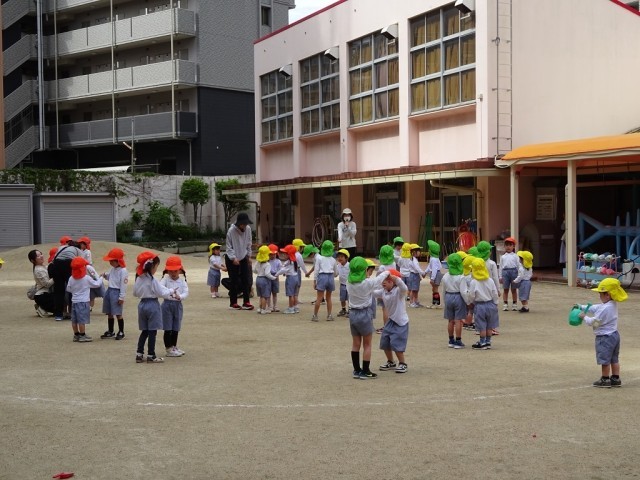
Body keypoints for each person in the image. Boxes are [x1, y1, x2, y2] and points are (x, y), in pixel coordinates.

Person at [575, 278, 628, 388]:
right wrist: (582, 306)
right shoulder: (611, 304)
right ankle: (615, 378)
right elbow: (595, 307)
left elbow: (594, 323)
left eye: (600, 294)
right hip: (614, 335)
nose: (599, 296)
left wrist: (584, 317)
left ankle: (605, 379)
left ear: (607, 295)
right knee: (614, 358)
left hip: (604, 337)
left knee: (605, 360)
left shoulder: (605, 309)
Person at [346, 257, 391, 379]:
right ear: (364, 270)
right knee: (367, 344)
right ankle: (365, 371)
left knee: (356, 343)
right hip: (364, 313)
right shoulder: (367, 283)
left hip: (353, 313)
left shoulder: (348, 282)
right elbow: (378, 280)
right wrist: (387, 272)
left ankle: (356, 370)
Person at [133, 252, 178, 363]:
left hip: (142, 304)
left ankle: (139, 354)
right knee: (152, 331)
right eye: (156, 266)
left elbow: (135, 293)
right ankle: (151, 355)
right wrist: (171, 291)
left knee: (144, 331)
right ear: (152, 266)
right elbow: (161, 292)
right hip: (152, 305)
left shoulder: (139, 278)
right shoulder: (152, 280)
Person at [376, 268, 410, 374]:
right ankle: (390, 362)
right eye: (383, 280)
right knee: (385, 341)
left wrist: (394, 278)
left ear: (394, 282)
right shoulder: (383, 291)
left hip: (401, 322)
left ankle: (402, 363)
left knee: (397, 343)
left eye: (388, 280)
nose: (384, 282)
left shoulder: (399, 291)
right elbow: (372, 292)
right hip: (391, 320)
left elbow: (404, 287)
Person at [462, 258, 499, 350]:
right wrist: (496, 303)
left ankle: (482, 342)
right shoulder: (490, 280)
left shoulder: (474, 282)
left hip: (480, 305)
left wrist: (470, 302)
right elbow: (494, 293)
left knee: (482, 325)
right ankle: (488, 341)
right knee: (490, 325)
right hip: (491, 304)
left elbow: (471, 295)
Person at [66, 257, 103, 342]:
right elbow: (97, 284)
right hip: (83, 302)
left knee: (74, 320)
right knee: (81, 320)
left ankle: (76, 334)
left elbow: (68, 288)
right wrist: (100, 278)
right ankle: (82, 335)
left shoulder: (71, 278)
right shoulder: (86, 278)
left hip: (74, 301)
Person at [160, 256, 189, 357]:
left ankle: (174, 346)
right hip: (167, 304)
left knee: (176, 327)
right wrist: (169, 292)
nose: (173, 273)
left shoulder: (182, 281)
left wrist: (180, 297)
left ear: (180, 270)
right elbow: (160, 289)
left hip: (178, 305)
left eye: (175, 271)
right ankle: (168, 348)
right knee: (168, 327)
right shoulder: (165, 280)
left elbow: (186, 292)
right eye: (170, 271)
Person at [224, 212, 254, 311]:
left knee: (246, 279)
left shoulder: (248, 229)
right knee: (234, 280)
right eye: (242, 224)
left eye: (245, 224)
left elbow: (249, 243)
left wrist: (249, 256)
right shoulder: (231, 231)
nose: (244, 226)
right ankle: (233, 303)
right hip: (232, 258)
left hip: (243, 256)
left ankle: (246, 302)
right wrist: (233, 258)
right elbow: (228, 247)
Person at [49, 239, 82, 321]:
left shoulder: (61, 247)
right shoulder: (78, 250)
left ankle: (58, 315)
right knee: (72, 289)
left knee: (58, 291)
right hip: (69, 264)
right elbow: (81, 262)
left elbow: (54, 258)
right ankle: (72, 313)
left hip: (57, 265)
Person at [100, 248, 128, 340]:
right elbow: (111, 277)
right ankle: (111, 331)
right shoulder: (113, 269)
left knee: (118, 313)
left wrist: (121, 297)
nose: (110, 262)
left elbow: (123, 284)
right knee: (109, 312)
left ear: (118, 261)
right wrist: (105, 275)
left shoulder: (123, 271)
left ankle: (121, 331)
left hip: (116, 292)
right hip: (109, 291)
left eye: (112, 261)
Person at [441, 253, 466, 349]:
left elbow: (443, 290)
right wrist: (468, 301)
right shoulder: (461, 277)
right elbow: (463, 291)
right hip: (458, 296)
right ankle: (458, 340)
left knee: (450, 320)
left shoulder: (445, 276)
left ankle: (451, 340)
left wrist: (444, 300)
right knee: (458, 320)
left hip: (448, 296)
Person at [477, 240, 501, 334]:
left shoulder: (476, 262)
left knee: (479, 309)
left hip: (478, 287)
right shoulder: (491, 263)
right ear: (488, 252)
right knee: (492, 308)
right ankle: (491, 328)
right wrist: (498, 289)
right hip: (490, 288)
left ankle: (480, 328)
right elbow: (495, 277)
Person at [311, 240, 338, 322]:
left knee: (319, 298)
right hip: (330, 277)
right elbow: (336, 272)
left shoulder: (319, 258)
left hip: (322, 276)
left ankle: (315, 315)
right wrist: (334, 275)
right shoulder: (333, 260)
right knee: (329, 298)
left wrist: (315, 281)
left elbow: (316, 270)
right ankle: (329, 315)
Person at [27, 249, 55, 317]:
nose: (41, 256)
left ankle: (42, 306)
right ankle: (41, 307)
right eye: (38, 256)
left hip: (45, 293)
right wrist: (56, 276)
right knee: (59, 307)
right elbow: (47, 284)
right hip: (42, 296)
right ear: (32, 260)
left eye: (41, 254)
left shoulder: (43, 267)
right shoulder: (38, 270)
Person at [376, 245, 396, 334]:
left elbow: (378, 278)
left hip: (383, 288)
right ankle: (392, 326)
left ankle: (386, 327)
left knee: (385, 309)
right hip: (392, 287)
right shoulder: (393, 263)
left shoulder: (382, 267)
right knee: (391, 308)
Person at [253, 245, 278, 315]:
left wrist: (259, 272)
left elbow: (254, 270)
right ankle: (264, 309)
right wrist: (274, 278)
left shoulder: (257, 262)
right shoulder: (267, 264)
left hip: (258, 278)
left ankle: (260, 308)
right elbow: (267, 274)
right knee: (265, 296)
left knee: (261, 295)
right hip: (264, 279)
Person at [499, 237, 519, 311]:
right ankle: (505, 304)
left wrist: (519, 275)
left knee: (514, 289)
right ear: (504, 246)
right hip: (505, 272)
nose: (508, 247)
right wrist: (500, 276)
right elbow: (500, 266)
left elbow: (518, 266)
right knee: (505, 289)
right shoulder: (503, 257)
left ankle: (514, 304)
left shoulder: (516, 256)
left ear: (513, 246)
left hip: (514, 272)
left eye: (510, 245)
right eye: (507, 245)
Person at [278, 245, 300, 314]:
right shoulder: (294, 261)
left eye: (285, 253)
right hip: (296, 277)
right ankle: (295, 307)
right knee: (295, 294)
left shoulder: (288, 262)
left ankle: (291, 308)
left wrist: (275, 274)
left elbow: (283, 270)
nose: (283, 255)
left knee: (291, 295)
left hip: (290, 279)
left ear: (289, 254)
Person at [425, 240, 443, 308]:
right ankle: (434, 303)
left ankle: (437, 303)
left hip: (436, 274)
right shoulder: (434, 258)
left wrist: (432, 278)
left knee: (435, 289)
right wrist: (425, 272)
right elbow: (430, 266)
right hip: (435, 274)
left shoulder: (433, 259)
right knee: (434, 289)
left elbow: (434, 269)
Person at [292, 239, 309, 308]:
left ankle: (293, 298)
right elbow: (302, 265)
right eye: (301, 247)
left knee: (293, 285)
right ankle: (296, 298)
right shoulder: (298, 255)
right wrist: (306, 272)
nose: (302, 248)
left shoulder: (291, 253)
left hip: (291, 270)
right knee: (298, 285)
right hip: (297, 270)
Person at [267, 244, 282, 312]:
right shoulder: (267, 261)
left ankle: (275, 306)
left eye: (274, 254)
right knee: (268, 293)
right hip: (268, 276)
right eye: (270, 254)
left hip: (275, 276)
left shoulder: (278, 261)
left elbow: (280, 269)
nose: (272, 256)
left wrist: (277, 275)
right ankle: (269, 306)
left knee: (275, 292)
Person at [335, 249, 350, 317]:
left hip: (349, 285)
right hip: (342, 284)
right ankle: (343, 309)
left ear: (346, 258)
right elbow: (336, 274)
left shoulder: (349, 265)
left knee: (350, 298)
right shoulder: (338, 266)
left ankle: (350, 310)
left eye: (342, 257)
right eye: (338, 257)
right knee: (342, 298)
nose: (339, 258)